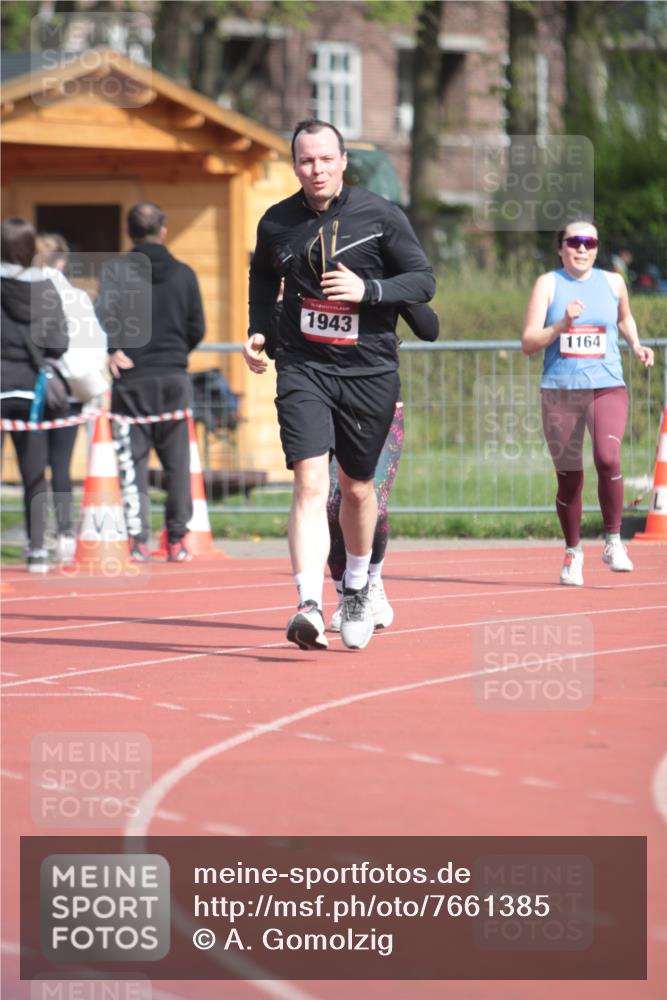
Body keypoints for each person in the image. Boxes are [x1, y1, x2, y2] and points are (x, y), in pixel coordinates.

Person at [243, 118, 435, 651]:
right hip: (304, 367)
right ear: (295, 165)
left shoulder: (381, 215)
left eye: (326, 158)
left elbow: (423, 281)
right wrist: (259, 330)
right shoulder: (276, 222)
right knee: (308, 482)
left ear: (343, 160)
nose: (316, 169)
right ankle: (307, 603)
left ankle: (355, 586)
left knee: (355, 488)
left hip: (369, 370)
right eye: (306, 160)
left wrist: (367, 289)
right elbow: (262, 275)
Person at [521, 219, 654, 586]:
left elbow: (624, 317)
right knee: (569, 477)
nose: (582, 249)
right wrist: (561, 325)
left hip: (607, 386)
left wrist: (637, 345)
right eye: (574, 242)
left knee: (608, 457)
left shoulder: (613, 282)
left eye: (590, 242)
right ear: (560, 246)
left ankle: (613, 541)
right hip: (560, 392)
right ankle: (573, 551)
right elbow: (529, 342)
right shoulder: (548, 284)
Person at [95, 202, 205, 562]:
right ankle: (176, 540)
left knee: (133, 465)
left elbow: (103, 318)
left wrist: (114, 349)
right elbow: (196, 328)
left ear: (129, 232)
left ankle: (137, 542)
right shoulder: (185, 274)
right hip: (173, 377)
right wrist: (174, 355)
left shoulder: (115, 273)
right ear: (164, 230)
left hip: (132, 379)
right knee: (178, 467)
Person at [327, 302, 440, 631]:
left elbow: (428, 327)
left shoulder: (385, 267)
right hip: (326, 397)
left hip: (378, 401)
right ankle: (345, 596)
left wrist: (394, 288)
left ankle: (371, 581)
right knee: (332, 504)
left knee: (370, 496)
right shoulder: (314, 270)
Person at [34, 232, 108, 563]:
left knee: (33, 464)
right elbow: (96, 342)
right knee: (60, 464)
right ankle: (64, 532)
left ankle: (37, 539)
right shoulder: (78, 296)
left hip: (36, 386)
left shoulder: (28, 293)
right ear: (62, 262)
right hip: (72, 389)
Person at [0, 217, 68, 573]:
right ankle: (38, 549)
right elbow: (60, 342)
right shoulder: (45, 287)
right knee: (33, 472)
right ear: (30, 248)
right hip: (32, 390)